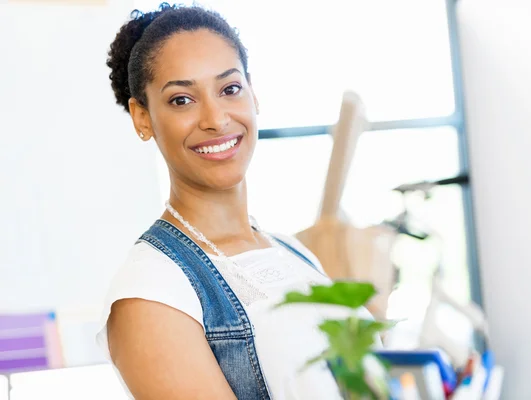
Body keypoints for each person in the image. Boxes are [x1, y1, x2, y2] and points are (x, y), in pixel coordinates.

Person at [97, 3, 373, 399]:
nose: (215, 118)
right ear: (142, 118)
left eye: (229, 89)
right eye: (181, 100)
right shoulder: (151, 293)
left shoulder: (289, 251)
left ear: (253, 94)